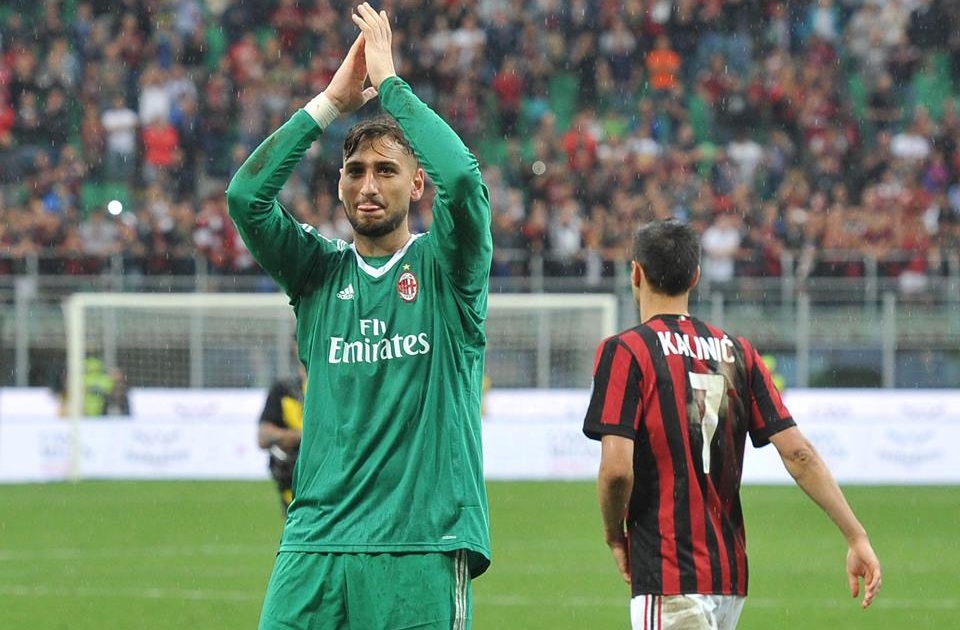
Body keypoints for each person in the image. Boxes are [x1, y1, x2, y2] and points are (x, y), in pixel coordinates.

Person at [226, 5, 493, 629]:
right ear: (341, 185)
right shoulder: (317, 272)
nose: (368, 185)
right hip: (314, 541)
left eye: (386, 170)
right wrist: (328, 105)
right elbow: (245, 198)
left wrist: (391, 86)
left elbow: (462, 179)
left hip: (419, 541)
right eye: (355, 171)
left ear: (416, 186)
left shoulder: (446, 269)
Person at [582, 219, 881, 630]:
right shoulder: (738, 352)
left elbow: (617, 470)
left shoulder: (626, 351)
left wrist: (614, 534)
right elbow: (799, 454)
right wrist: (856, 535)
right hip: (728, 578)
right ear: (695, 276)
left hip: (669, 572)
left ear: (636, 273)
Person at [257, 346, 304, 517]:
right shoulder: (284, 390)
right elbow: (263, 438)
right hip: (292, 478)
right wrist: (303, 436)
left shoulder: (333, 388)